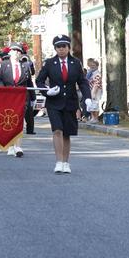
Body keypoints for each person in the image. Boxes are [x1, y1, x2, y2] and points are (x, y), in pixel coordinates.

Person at [36, 34, 91, 174]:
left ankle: (66, 162)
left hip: (70, 102)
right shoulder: (49, 63)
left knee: (67, 133)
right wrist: (47, 91)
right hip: (54, 102)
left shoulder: (75, 63)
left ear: (68, 47)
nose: (61, 49)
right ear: (55, 48)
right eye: (58, 47)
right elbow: (39, 81)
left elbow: (82, 82)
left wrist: (87, 98)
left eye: (64, 46)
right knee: (57, 130)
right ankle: (59, 162)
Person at [0, 42, 34, 158]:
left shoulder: (25, 66)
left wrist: (33, 98)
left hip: (22, 97)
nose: (16, 53)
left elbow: (29, 83)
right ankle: (11, 145)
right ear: (10, 52)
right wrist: (4, 90)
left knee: (20, 120)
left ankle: (18, 146)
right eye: (14, 50)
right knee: (9, 120)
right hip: (8, 96)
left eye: (19, 51)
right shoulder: (3, 65)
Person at [86, 58, 103, 123]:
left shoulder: (97, 74)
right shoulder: (90, 73)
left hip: (96, 90)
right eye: (90, 65)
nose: (91, 67)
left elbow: (97, 84)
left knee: (95, 104)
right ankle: (92, 117)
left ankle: (96, 118)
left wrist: (93, 92)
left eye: (93, 65)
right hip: (90, 89)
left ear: (97, 65)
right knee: (90, 104)